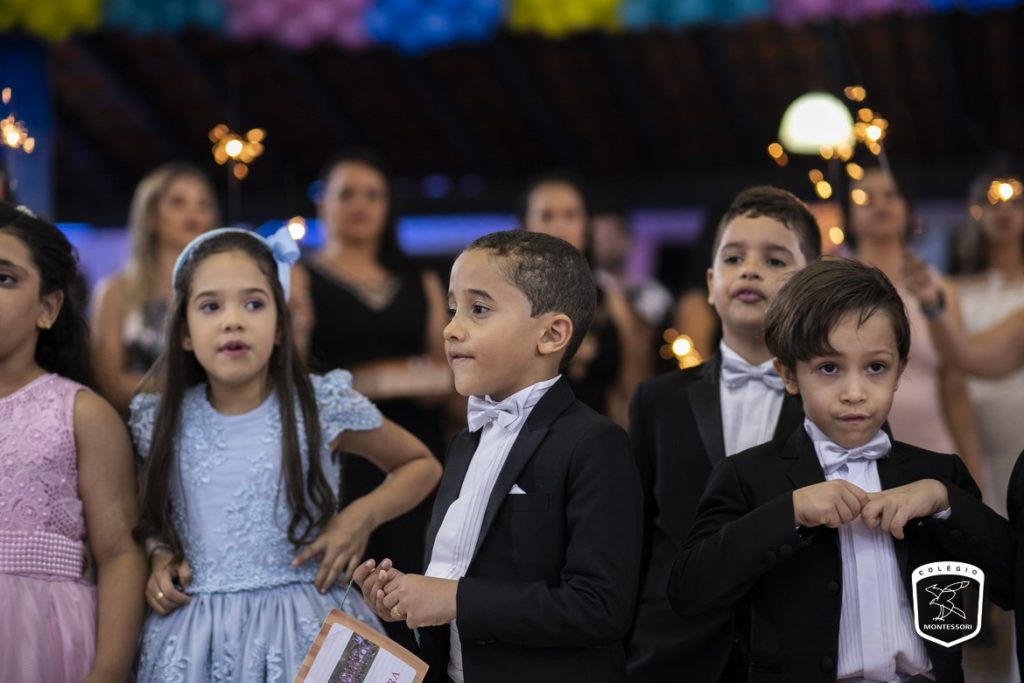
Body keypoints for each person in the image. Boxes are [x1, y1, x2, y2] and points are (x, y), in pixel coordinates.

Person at [670, 258, 1014, 682]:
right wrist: (790, 511)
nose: (855, 392)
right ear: (788, 374)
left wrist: (945, 503)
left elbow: (1010, 583)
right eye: (829, 368)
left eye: (876, 367)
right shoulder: (747, 476)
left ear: (900, 370)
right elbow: (689, 592)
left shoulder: (939, 476)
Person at [131, 228, 442, 681]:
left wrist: (361, 516)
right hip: (196, 635)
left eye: (254, 304)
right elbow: (146, 515)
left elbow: (420, 464)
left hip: (308, 628)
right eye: (211, 306)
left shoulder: (320, 404)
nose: (233, 321)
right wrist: (159, 553)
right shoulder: (158, 419)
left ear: (280, 325)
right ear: (183, 332)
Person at [354, 230, 643, 683]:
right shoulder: (464, 442)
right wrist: (404, 600)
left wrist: (454, 599)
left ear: (551, 334)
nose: (451, 328)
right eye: (453, 308)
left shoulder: (594, 443)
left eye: (479, 309)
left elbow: (599, 606)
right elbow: (455, 578)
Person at [626, 186, 821, 681]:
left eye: (775, 260)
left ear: (810, 284)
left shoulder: (835, 403)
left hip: (793, 647)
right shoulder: (657, 401)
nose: (750, 270)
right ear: (712, 283)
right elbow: (635, 536)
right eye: (734, 258)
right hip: (672, 650)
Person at [290, 152, 449, 648]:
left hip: (415, 447)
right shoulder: (299, 276)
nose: (360, 204)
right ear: (323, 203)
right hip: (341, 451)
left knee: (417, 579)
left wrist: (363, 379)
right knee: (347, 589)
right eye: (347, 194)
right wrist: (394, 377)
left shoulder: (421, 279)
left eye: (372, 194)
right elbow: (293, 373)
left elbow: (448, 371)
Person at [0, 203, 146, 682]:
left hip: (39, 637)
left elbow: (119, 553)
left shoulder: (79, 413)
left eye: (4, 278)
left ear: (48, 308)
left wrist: (108, 671)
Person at [848, 166, 985, 486]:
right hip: (853, 456)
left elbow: (955, 387)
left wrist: (974, 477)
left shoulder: (940, 289)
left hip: (932, 447)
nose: (880, 204)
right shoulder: (834, 287)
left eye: (891, 195)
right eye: (865, 198)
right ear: (848, 215)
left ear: (908, 209)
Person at [519, 173, 647, 427]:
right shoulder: (509, 300)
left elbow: (629, 389)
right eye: (546, 216)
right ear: (525, 225)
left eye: (570, 215)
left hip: (597, 439)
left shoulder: (611, 301)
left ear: (586, 226)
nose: (559, 227)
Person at [91, 162, 218, 413]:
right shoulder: (115, 291)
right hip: (138, 425)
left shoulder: (223, 290)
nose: (193, 212)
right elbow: (109, 381)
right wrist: (188, 392)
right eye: (178, 202)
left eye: (203, 204)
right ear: (150, 215)